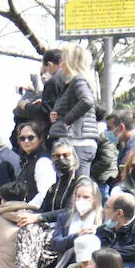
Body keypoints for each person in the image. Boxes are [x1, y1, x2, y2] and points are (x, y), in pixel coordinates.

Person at [47, 42, 98, 175]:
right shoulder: (75, 82)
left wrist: (66, 120)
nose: (61, 63)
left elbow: (86, 101)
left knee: (77, 187)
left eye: (63, 59)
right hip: (76, 142)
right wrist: (58, 114)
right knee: (72, 187)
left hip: (78, 142)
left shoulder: (78, 80)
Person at [10, 122, 51, 209]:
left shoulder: (43, 162)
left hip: (36, 212)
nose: (26, 141)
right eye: (22, 138)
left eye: (30, 138)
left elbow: (44, 194)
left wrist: (26, 209)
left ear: (40, 139)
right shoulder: (25, 161)